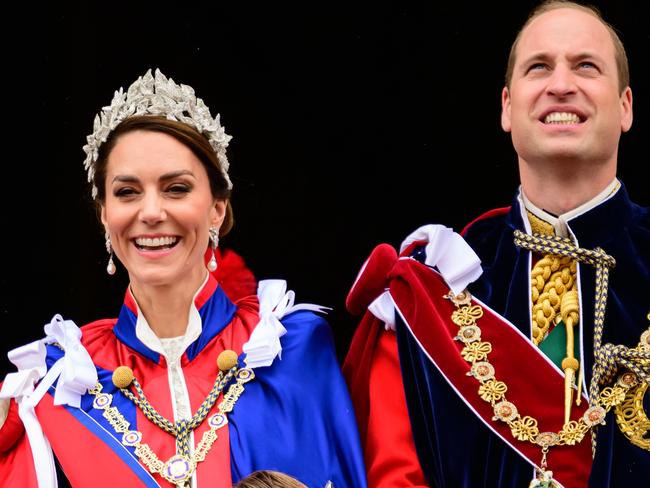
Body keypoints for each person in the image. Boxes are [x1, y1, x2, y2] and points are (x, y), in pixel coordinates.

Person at [0, 69, 367, 487]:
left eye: (176, 188)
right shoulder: (60, 384)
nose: (152, 212)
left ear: (217, 208)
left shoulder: (292, 350)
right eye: (127, 192)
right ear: (105, 214)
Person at [343, 1, 649, 487]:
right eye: (539, 67)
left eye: (586, 66)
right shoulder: (437, 280)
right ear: (508, 107)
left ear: (625, 106)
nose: (562, 85)